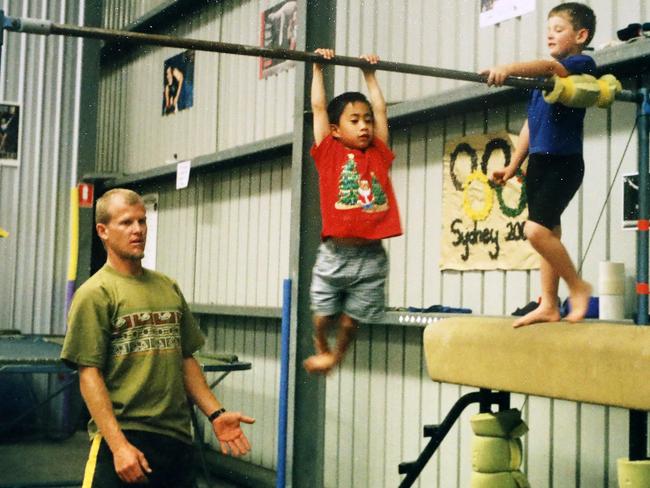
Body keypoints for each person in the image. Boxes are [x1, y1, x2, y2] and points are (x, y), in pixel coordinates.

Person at [61, 188, 254, 487]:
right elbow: (89, 375)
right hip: (126, 437)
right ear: (103, 231)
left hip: (176, 438)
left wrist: (216, 414)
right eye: (126, 223)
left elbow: (185, 359)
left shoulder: (168, 287)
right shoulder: (95, 294)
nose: (137, 230)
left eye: (142, 221)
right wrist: (119, 446)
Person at [481, 2, 596, 328]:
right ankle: (549, 303)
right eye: (548, 31)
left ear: (581, 35)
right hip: (540, 164)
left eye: (558, 30)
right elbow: (531, 126)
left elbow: (549, 67)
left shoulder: (579, 65)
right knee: (550, 232)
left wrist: (507, 68)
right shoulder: (543, 84)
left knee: (535, 231)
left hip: (564, 163)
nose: (551, 36)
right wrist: (513, 164)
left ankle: (577, 286)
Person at [303, 49, 402, 374]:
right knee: (323, 315)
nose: (364, 127)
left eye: (367, 121)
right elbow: (318, 107)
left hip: (371, 256)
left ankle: (336, 356)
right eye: (354, 121)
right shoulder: (328, 151)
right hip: (335, 254)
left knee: (350, 322)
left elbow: (382, 110)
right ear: (334, 129)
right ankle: (321, 345)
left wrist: (369, 74)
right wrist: (318, 68)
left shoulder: (379, 152)